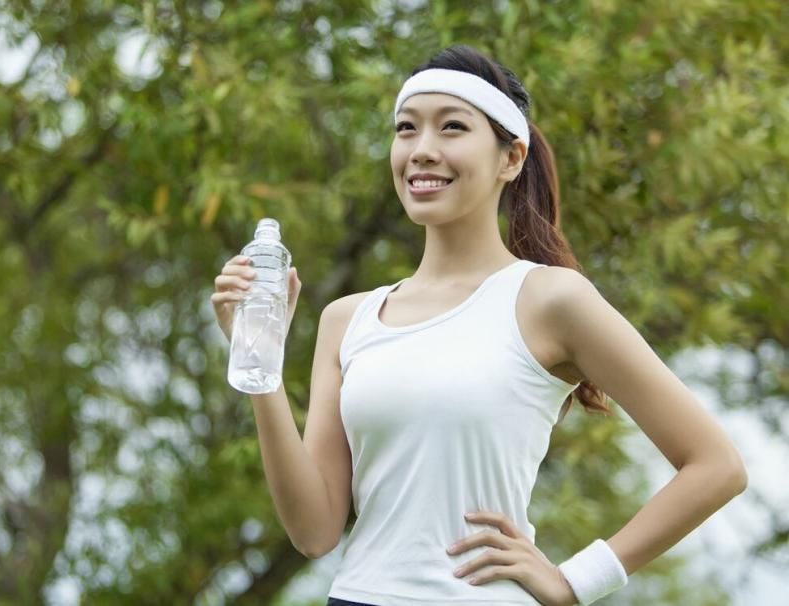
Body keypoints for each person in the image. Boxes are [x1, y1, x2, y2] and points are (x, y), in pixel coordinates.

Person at [211, 45, 748, 606]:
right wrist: (260, 361)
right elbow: (315, 531)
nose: (421, 150)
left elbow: (717, 465)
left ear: (510, 159)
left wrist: (576, 581)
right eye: (406, 129)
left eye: (451, 128)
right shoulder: (347, 319)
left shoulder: (549, 299)